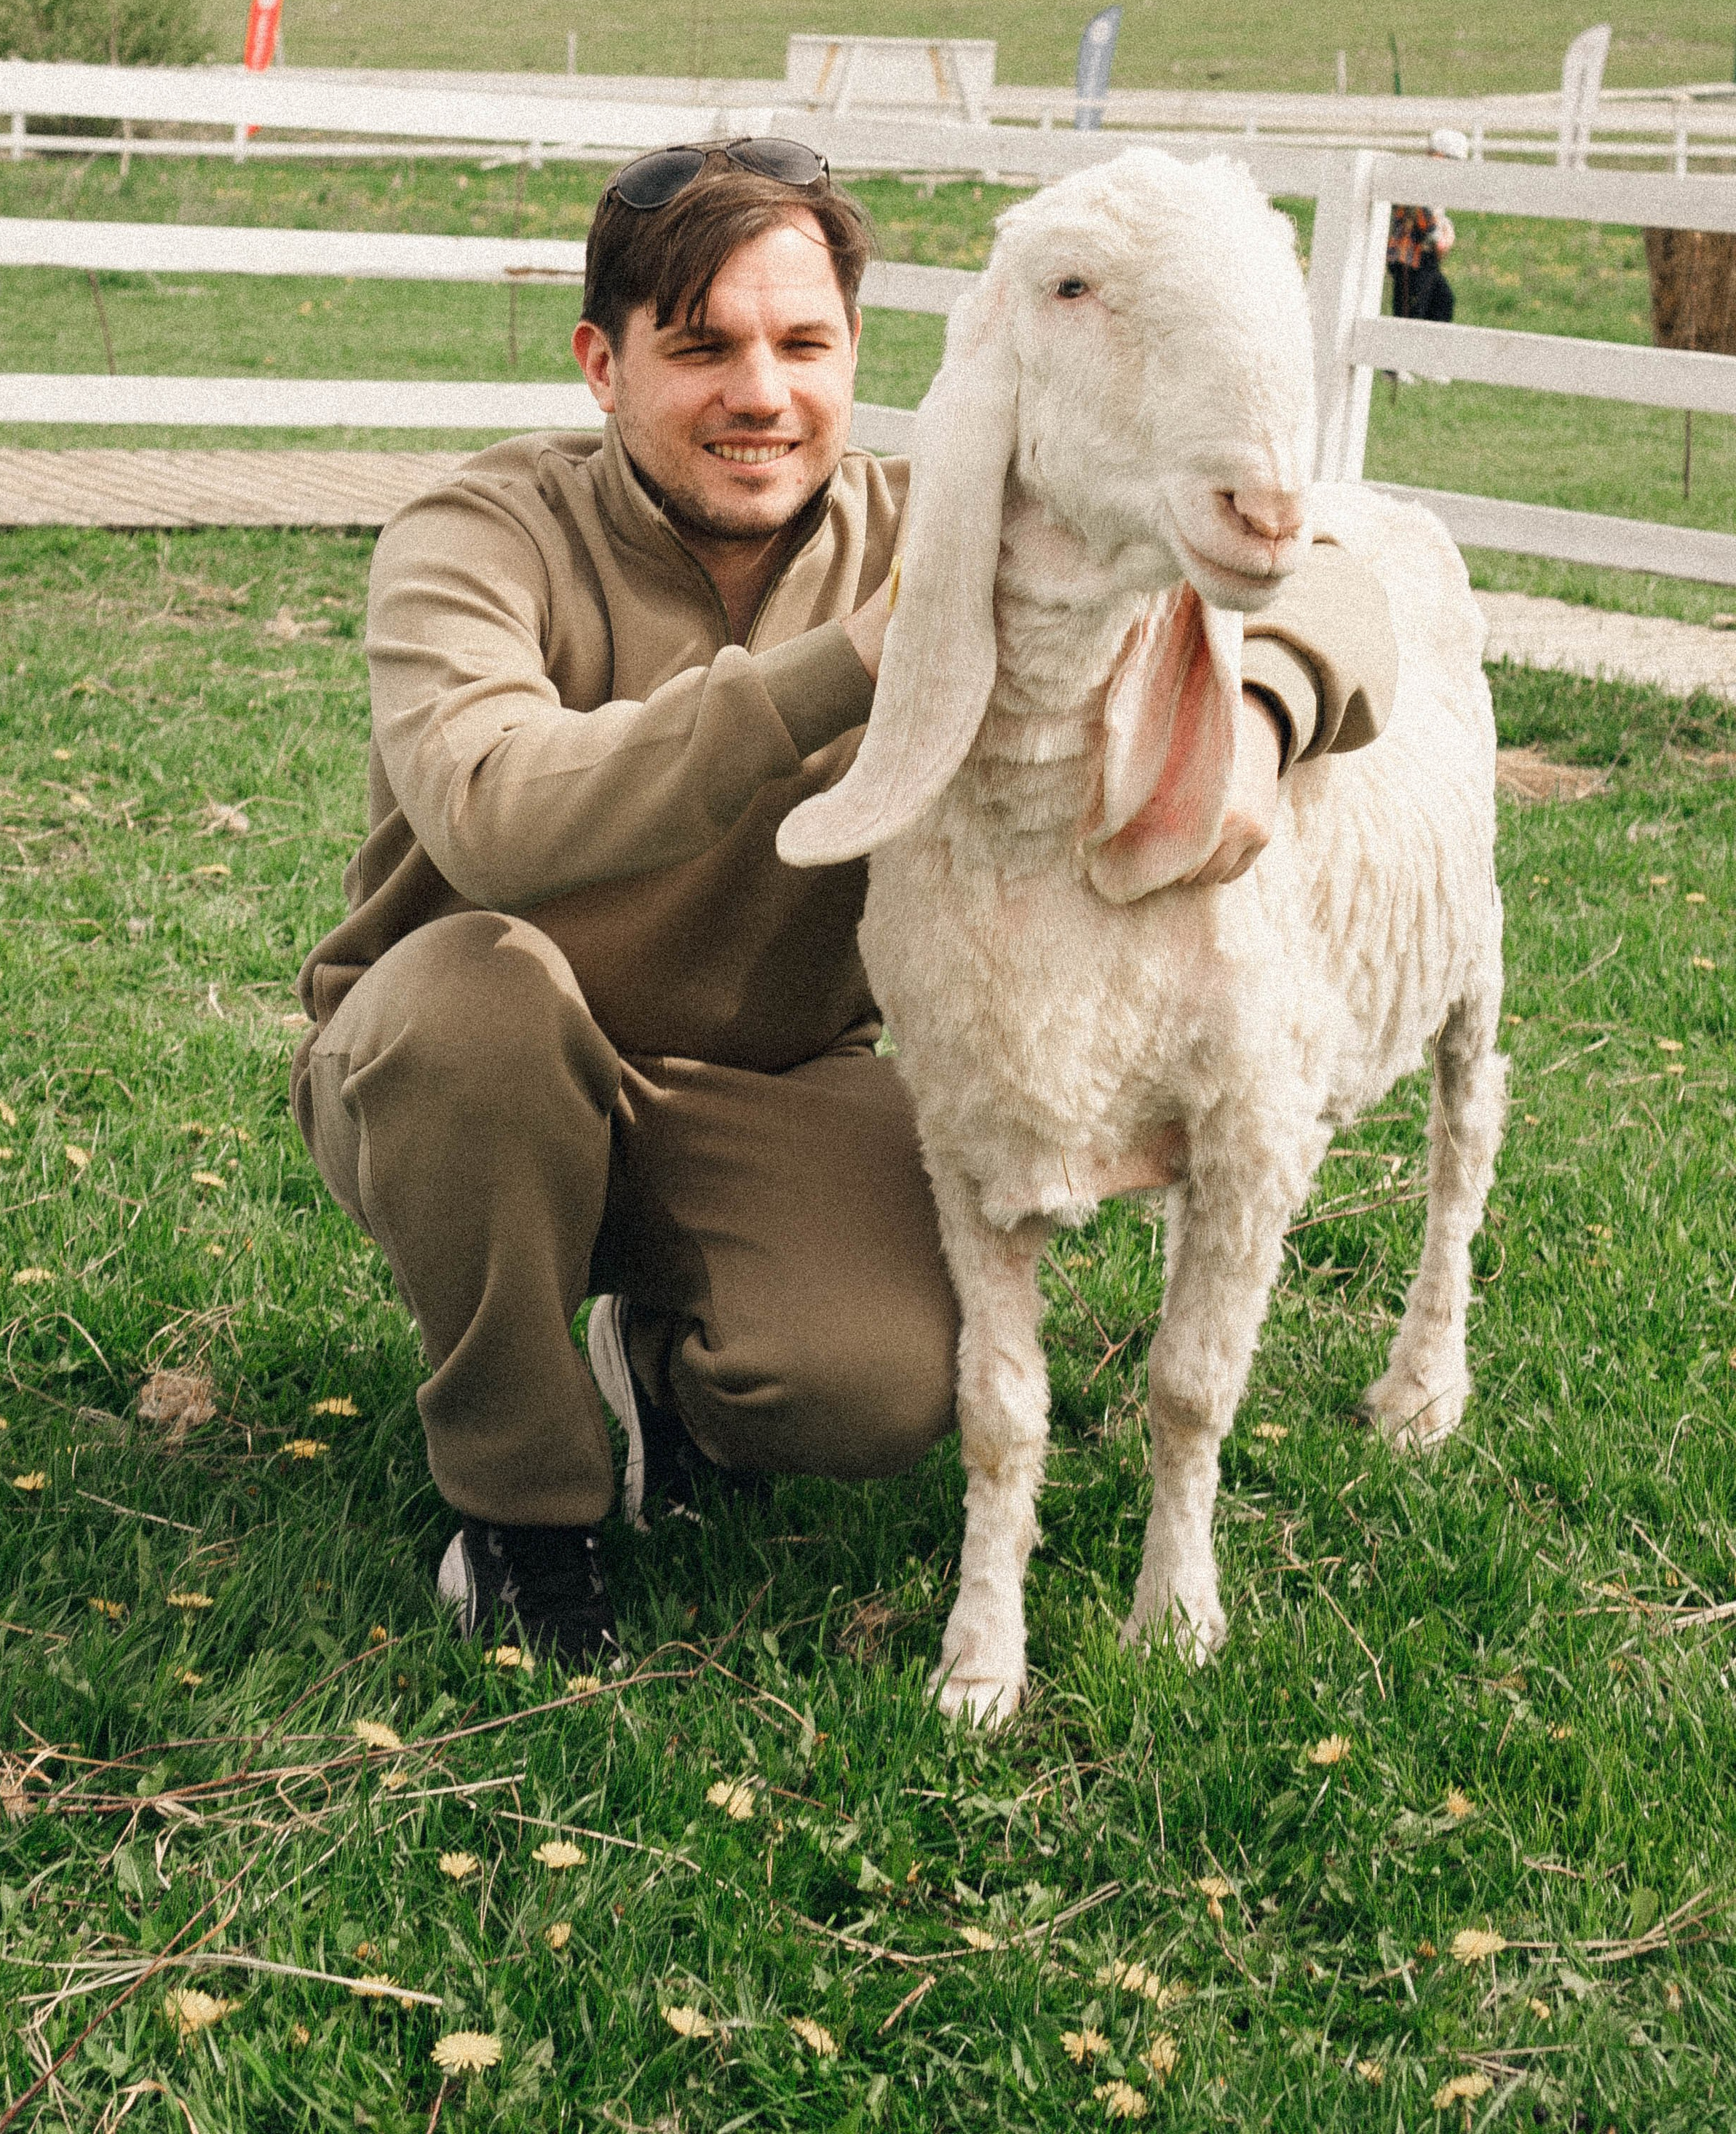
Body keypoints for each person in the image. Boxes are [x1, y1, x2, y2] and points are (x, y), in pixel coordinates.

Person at [290, 138, 1398, 1664]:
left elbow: (1335, 581)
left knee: (877, 1387)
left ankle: (663, 1363)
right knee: (470, 1003)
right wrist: (860, 657)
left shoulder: (921, 514)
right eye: (703, 349)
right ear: (601, 364)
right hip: (465, 1073)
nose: (760, 392)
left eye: (803, 346)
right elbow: (494, 807)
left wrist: (1258, 713)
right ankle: (522, 1510)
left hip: (765, 1081)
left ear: (853, 358)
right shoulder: (475, 538)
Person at [1385, 125, 1468, 328]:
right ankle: (1404, 354)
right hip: (1410, 258)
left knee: (1443, 301)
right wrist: (1440, 238)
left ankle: (1428, 353)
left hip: (1425, 259)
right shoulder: (1418, 179)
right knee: (1412, 313)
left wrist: (1446, 230)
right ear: (1438, 156)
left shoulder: (1434, 182)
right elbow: (1423, 215)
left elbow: (1437, 215)